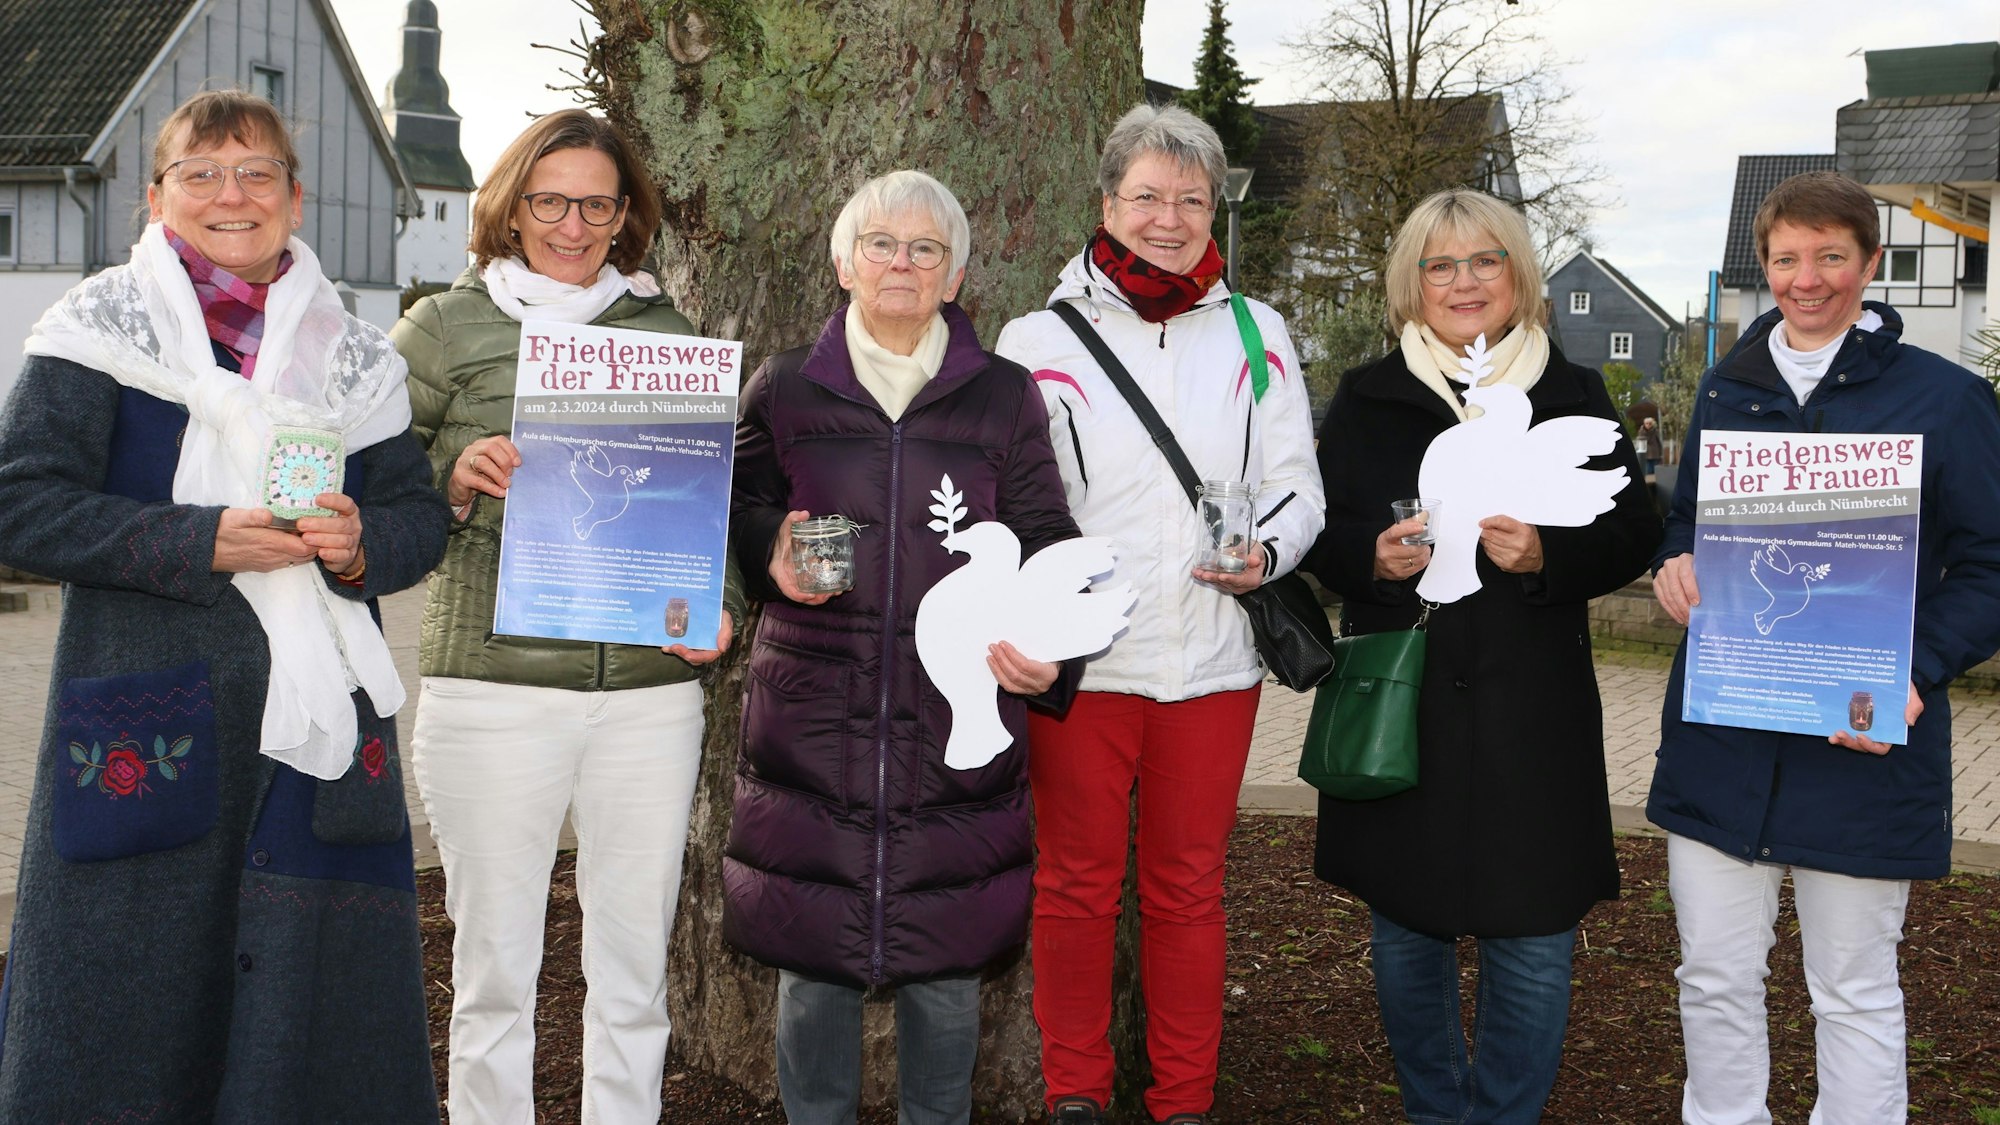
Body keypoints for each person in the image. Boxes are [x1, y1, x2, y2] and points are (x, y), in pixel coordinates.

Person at [0, 89, 447, 1119]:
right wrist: (197, 541)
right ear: (156, 198)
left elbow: (417, 520)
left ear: (296, 197)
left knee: (316, 1019)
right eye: (199, 174)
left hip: (317, 744)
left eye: (255, 173)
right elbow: (20, 506)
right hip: (145, 729)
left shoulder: (354, 358)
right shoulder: (100, 333)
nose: (230, 195)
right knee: (125, 1022)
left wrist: (361, 545)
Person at [396, 109, 744, 1124]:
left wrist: (720, 606)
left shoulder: (666, 337)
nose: (573, 225)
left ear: (626, 214)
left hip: (647, 699)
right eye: (550, 201)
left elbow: (706, 509)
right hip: (492, 690)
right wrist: (450, 476)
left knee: (634, 975)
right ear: (511, 206)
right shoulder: (443, 326)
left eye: (598, 204)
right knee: (493, 976)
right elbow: (365, 485)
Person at [726, 169, 1083, 1125]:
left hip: (954, 721)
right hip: (813, 727)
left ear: (955, 276)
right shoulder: (785, 386)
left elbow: (1048, 537)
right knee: (812, 973)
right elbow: (735, 508)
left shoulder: (1002, 396)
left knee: (947, 974)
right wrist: (766, 548)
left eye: (926, 249)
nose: (902, 263)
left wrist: (1053, 654)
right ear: (844, 263)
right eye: (881, 244)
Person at [992, 104, 1324, 1125]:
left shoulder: (1256, 332)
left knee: (1188, 889)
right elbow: (1012, 501)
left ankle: (1183, 1098)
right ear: (1106, 206)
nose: (1168, 218)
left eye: (1190, 198)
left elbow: (1297, 486)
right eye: (1146, 196)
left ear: (1213, 208)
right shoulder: (1035, 339)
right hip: (1084, 665)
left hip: (1213, 660)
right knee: (1074, 887)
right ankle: (1075, 1093)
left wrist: (1267, 551)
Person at [1648, 170, 2000, 1124]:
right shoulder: (1727, 385)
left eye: (1831, 256)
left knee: (1853, 989)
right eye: (1787, 259)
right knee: (1713, 976)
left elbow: (1990, 566)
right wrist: (1674, 564)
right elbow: (1687, 521)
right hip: (1726, 739)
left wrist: (1915, 670)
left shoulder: (1946, 398)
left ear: (1870, 263)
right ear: (1764, 266)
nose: (1807, 279)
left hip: (1863, 743)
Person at [1303, 188, 1660, 1125]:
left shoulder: (1574, 390)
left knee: (1535, 942)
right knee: (1405, 934)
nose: (1464, 282)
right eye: (1441, 265)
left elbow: (1634, 531)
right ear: (1411, 284)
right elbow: (1315, 532)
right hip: (1404, 705)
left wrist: (1550, 555)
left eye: (1485, 260)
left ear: (1518, 274)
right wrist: (1368, 558)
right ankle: (1436, 1111)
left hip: (1531, 714)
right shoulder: (1368, 397)